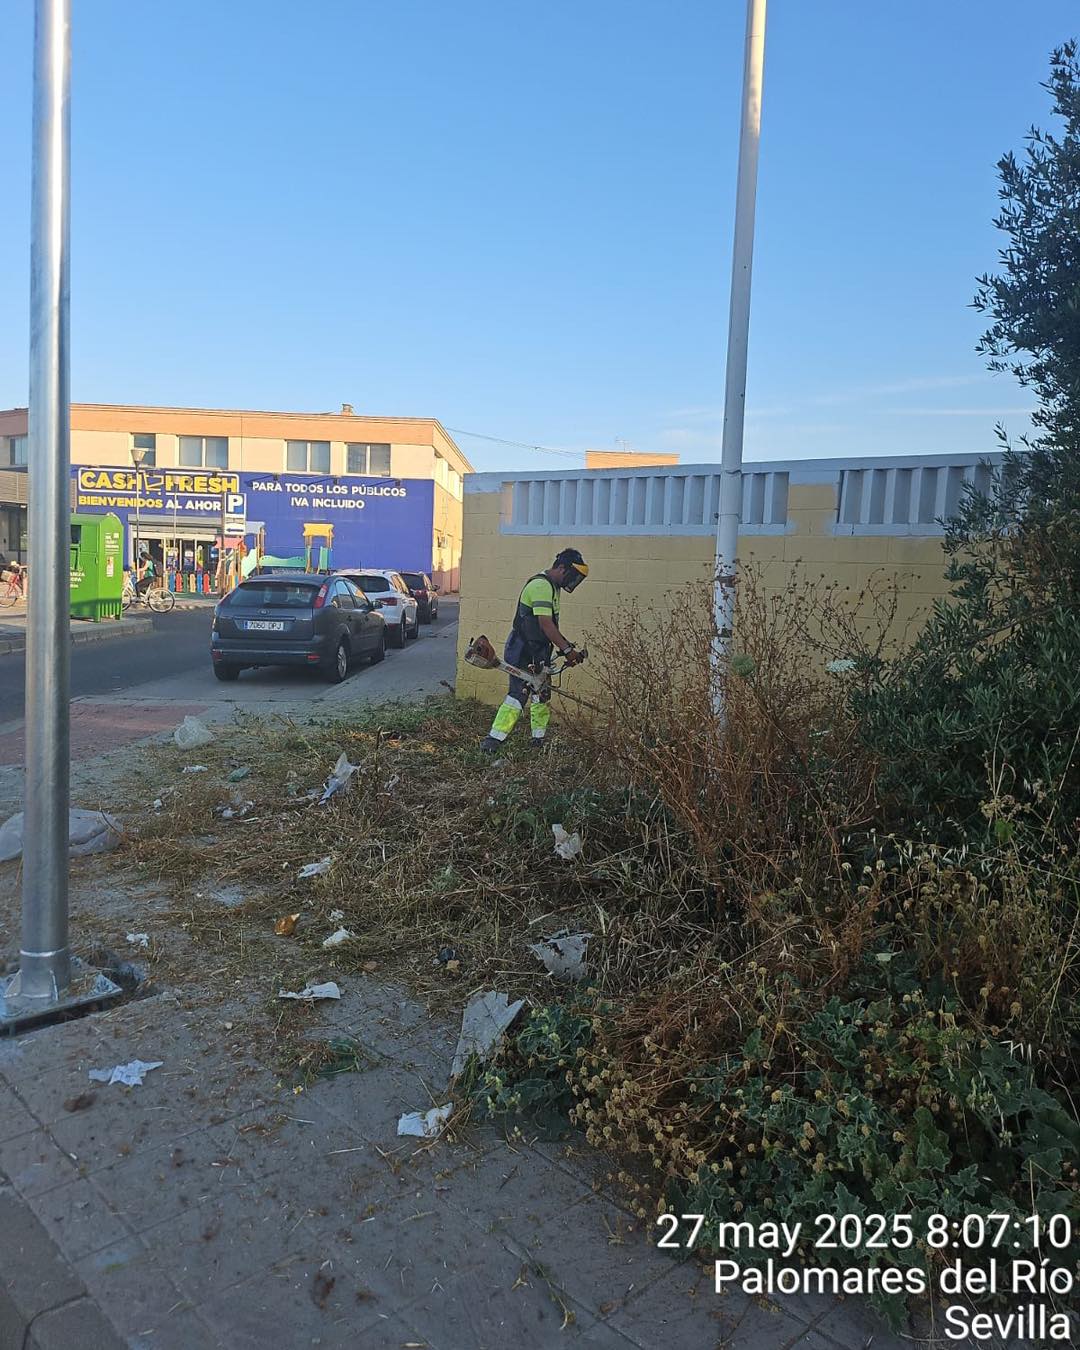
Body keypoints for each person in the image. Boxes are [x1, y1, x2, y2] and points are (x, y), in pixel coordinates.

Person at [480, 547, 588, 753]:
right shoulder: (540, 585)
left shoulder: (553, 587)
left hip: (538, 648)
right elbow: (545, 624)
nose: (573, 582)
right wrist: (566, 650)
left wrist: (564, 646)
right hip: (522, 648)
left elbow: (550, 628)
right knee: (519, 693)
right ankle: (493, 740)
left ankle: (538, 739)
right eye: (573, 576)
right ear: (562, 568)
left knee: (541, 692)